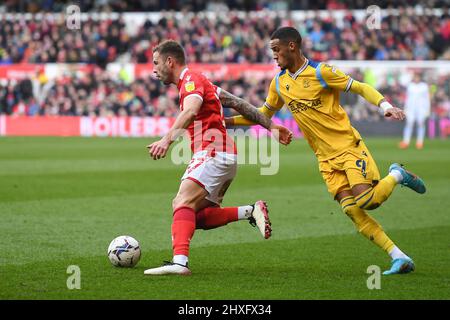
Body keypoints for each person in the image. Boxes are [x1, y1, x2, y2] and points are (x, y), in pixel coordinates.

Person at [226, 27, 426, 275]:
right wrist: (225, 122)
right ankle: (399, 256)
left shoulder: (322, 72)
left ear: (292, 46)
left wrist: (385, 105)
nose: (274, 56)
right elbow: (262, 115)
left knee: (367, 201)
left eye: (276, 50)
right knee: (352, 210)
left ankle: (397, 174)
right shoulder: (279, 83)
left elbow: (361, 87)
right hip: (325, 158)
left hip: (348, 147)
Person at [144, 40, 293, 276]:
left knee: (181, 203)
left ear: (169, 61)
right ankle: (251, 210)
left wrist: (166, 140)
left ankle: (180, 263)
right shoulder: (203, 82)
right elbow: (240, 104)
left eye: (156, 62)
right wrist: (272, 126)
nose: (154, 69)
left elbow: (190, 110)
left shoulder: (191, 81)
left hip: (213, 152)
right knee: (197, 216)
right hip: (224, 155)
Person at [399, 73, 431, 149]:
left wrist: (428, 109)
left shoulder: (424, 86)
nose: (416, 79)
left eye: (417, 77)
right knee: (409, 123)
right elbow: (407, 98)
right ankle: (406, 142)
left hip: (421, 108)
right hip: (411, 108)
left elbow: (427, 98)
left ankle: (419, 142)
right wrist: (405, 108)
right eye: (415, 77)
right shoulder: (410, 86)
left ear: (420, 78)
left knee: (420, 123)